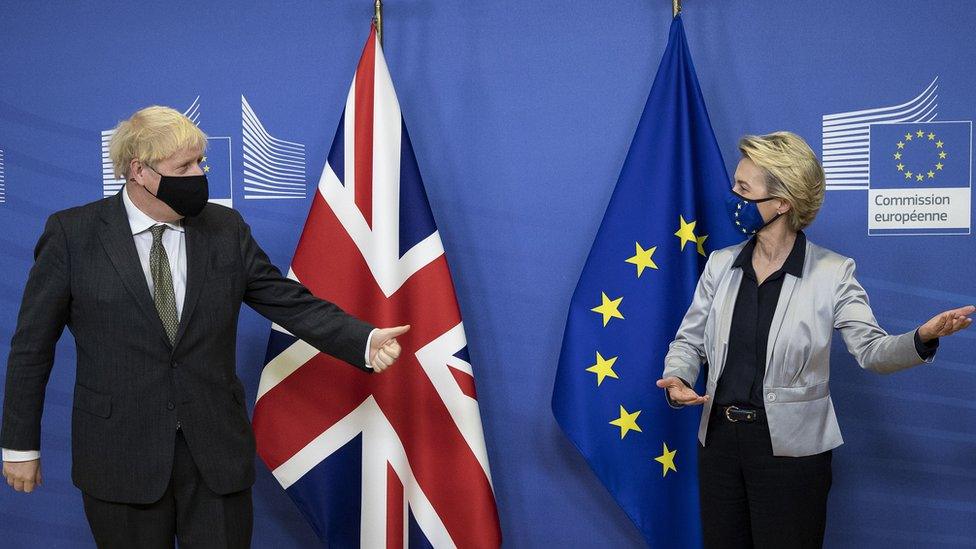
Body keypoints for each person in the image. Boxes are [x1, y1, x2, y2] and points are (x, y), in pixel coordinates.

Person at [0, 106, 409, 547]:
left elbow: (286, 300)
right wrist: (20, 445)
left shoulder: (224, 229)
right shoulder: (72, 235)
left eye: (201, 162)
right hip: (120, 456)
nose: (198, 174)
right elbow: (32, 347)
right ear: (140, 171)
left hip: (214, 456)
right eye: (184, 166)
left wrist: (362, 340)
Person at [656, 131, 973, 548]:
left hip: (793, 457)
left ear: (782, 203)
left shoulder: (834, 273)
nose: (731, 195)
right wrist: (677, 377)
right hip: (717, 447)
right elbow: (687, 342)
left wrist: (922, 338)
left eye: (743, 188)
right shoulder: (719, 265)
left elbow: (873, 352)